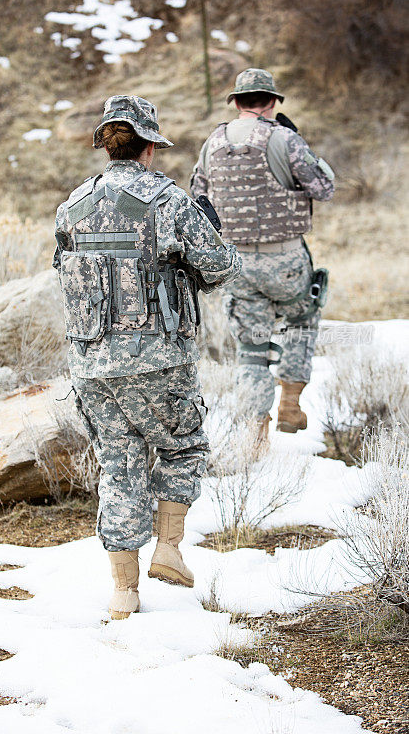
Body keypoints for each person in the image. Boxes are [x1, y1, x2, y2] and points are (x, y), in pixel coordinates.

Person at [53, 95, 240, 620]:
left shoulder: (74, 204)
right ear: (150, 145)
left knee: (118, 464)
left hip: (92, 365)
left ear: (108, 144)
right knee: (183, 447)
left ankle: (123, 593)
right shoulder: (170, 201)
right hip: (160, 360)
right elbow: (221, 268)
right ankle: (170, 551)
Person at [191, 68, 334, 436]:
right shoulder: (284, 138)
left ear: (236, 102)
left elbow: (198, 195)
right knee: (302, 320)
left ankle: (255, 434)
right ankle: (290, 405)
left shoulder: (213, 142)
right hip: (285, 260)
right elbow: (324, 187)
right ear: (272, 102)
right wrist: (296, 142)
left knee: (251, 348)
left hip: (236, 263)